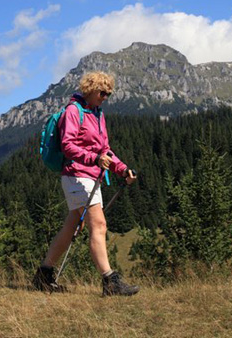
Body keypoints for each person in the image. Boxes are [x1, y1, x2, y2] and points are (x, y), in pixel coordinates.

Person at [33, 72, 139, 296]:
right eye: (102, 92)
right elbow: (67, 145)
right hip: (75, 175)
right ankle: (110, 281)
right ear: (90, 89)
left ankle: (44, 273)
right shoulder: (74, 111)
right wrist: (94, 159)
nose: (105, 97)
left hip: (91, 177)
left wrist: (122, 169)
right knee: (98, 225)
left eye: (108, 94)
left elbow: (105, 150)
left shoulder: (98, 114)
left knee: (73, 225)